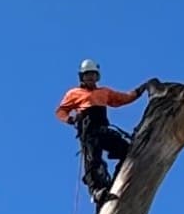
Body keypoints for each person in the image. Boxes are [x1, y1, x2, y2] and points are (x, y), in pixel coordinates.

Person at [55, 58, 153, 202]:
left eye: (93, 74)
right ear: (82, 77)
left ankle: (119, 175)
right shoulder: (74, 93)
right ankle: (96, 190)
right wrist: (70, 119)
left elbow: (123, 98)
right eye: (87, 74)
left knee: (126, 150)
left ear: (97, 77)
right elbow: (61, 111)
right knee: (93, 160)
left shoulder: (104, 92)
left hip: (102, 129)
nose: (90, 77)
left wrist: (141, 89)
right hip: (89, 132)